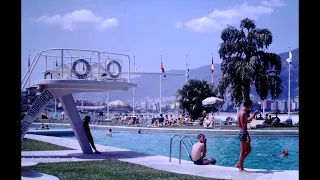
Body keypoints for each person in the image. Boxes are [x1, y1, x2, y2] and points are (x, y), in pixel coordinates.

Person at [235, 100, 259, 172]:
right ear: (249, 106)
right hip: (243, 133)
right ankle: (240, 167)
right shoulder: (244, 113)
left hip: (241, 132)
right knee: (243, 151)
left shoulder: (240, 112)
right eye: (250, 106)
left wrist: (254, 115)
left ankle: (239, 163)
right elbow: (244, 125)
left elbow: (246, 121)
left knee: (248, 150)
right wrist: (248, 136)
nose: (250, 108)